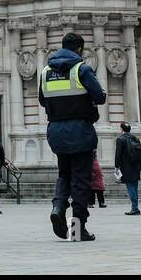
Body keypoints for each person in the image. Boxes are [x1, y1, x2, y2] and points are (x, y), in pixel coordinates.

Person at [39, 32, 107, 241]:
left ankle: (58, 207)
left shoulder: (46, 71)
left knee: (64, 174)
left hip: (56, 131)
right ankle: (78, 230)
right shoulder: (82, 69)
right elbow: (100, 97)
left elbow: (42, 101)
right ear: (79, 49)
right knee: (80, 181)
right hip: (80, 131)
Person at [113, 123, 141, 215]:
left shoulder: (120, 139)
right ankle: (135, 207)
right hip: (136, 166)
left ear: (122, 129)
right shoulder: (135, 138)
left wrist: (116, 166)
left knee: (130, 187)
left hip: (126, 167)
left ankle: (134, 208)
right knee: (134, 187)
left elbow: (118, 154)